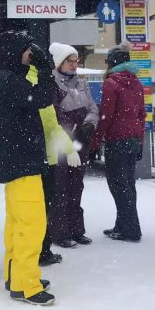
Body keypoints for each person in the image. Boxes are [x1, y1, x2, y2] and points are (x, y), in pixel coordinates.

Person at [0, 31, 57, 306]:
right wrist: (44, 68)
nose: (31, 54)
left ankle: (15, 276)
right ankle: (28, 285)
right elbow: (43, 98)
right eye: (27, 49)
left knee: (17, 224)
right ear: (14, 52)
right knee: (32, 225)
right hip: (23, 163)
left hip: (17, 162)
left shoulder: (6, 79)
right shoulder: (11, 81)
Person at [91, 42, 146, 242]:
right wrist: (140, 141)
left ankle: (130, 229)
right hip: (132, 140)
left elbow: (106, 115)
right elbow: (141, 115)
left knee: (118, 184)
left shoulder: (111, 83)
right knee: (128, 184)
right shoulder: (136, 82)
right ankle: (122, 224)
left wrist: (96, 140)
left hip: (117, 140)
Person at [49, 42, 98, 248]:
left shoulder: (82, 83)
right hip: (61, 143)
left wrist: (89, 124)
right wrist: (69, 132)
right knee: (60, 187)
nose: (74, 64)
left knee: (76, 185)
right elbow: (55, 115)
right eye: (70, 60)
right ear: (59, 62)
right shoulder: (52, 84)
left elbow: (93, 107)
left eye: (76, 60)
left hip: (81, 142)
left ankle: (76, 229)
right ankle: (60, 232)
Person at [36, 82, 80, 265]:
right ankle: (39, 251)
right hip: (39, 162)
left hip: (45, 160)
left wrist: (70, 149)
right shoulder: (36, 93)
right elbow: (52, 127)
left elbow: (53, 127)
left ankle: (42, 250)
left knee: (43, 207)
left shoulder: (39, 94)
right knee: (39, 209)